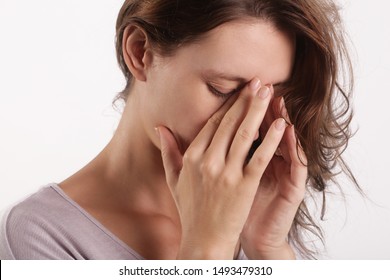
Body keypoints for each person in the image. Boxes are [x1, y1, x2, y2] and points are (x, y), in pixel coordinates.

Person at [0, 0, 358, 260]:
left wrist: (267, 250)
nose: (251, 122)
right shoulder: (37, 236)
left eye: (270, 96)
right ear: (140, 52)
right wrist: (208, 249)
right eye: (223, 89)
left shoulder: (260, 221)